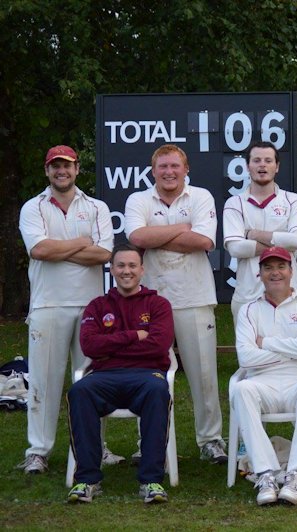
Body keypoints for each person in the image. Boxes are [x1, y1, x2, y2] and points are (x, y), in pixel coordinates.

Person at [125, 144, 227, 464]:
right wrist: (182, 229)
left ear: (186, 169)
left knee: (204, 375)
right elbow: (136, 239)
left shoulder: (201, 197)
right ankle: (151, 442)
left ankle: (210, 440)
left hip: (195, 297)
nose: (169, 172)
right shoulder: (138, 200)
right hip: (151, 302)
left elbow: (204, 241)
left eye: (175, 166)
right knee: (151, 376)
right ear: (152, 170)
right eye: (162, 167)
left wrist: (156, 234)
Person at [17, 145, 114, 474]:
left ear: (76, 169)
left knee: (92, 380)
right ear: (47, 171)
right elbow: (40, 249)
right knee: (44, 381)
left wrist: (61, 249)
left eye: (68, 166)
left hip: (91, 307)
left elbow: (103, 255)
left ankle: (97, 448)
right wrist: (81, 243)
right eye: (55, 166)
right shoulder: (34, 207)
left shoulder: (96, 206)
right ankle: (38, 450)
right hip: (48, 304)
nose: (62, 171)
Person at [66, 243, 173, 504]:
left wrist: (111, 345)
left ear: (142, 270)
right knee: (79, 391)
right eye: (121, 265)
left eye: (132, 265)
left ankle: (151, 481)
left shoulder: (158, 304)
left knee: (159, 390)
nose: (127, 271)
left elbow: (158, 346)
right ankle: (87, 480)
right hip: (104, 377)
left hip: (148, 376)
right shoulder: (98, 305)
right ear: (111, 269)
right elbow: (89, 346)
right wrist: (134, 335)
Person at [232, 246, 297, 506]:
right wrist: (295, 349)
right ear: (259, 274)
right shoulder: (249, 310)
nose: (275, 273)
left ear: (291, 271)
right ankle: (266, 473)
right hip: (263, 382)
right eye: (268, 268)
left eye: (281, 266)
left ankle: (295, 473)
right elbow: (246, 358)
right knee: (241, 390)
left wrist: (267, 342)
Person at [223, 141, 297, 324]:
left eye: (268, 160)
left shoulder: (293, 200)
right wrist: (281, 245)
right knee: (249, 352)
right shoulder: (234, 203)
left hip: (288, 295)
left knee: (288, 351)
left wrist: (254, 234)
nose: (262, 164)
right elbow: (236, 248)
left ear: (276, 167)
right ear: (248, 166)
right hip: (247, 296)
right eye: (256, 160)